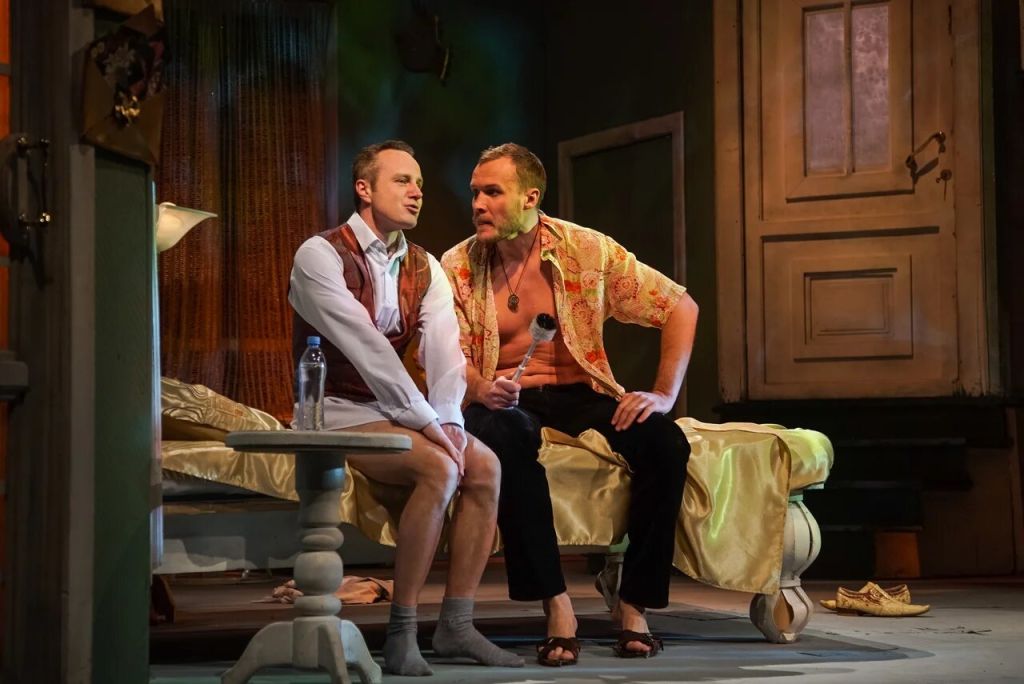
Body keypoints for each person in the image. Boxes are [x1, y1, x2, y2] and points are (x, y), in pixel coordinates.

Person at [441, 143, 698, 666]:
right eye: (475, 193)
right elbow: (446, 352)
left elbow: (680, 306)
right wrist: (479, 387)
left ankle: (634, 604)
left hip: (582, 392)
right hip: (504, 398)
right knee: (505, 436)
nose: (479, 205)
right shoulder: (458, 265)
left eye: (493, 192)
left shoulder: (587, 249)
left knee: (665, 442)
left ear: (530, 197)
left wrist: (663, 393)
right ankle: (556, 604)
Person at [289, 140, 523, 675]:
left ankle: (457, 624)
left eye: (419, 182)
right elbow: (369, 350)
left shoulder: (424, 265)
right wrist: (427, 425)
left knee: (485, 465)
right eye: (402, 180)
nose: (417, 191)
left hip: (393, 407)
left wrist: (451, 420)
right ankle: (402, 631)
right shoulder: (320, 255)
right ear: (364, 189)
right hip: (334, 408)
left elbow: (444, 351)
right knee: (439, 467)